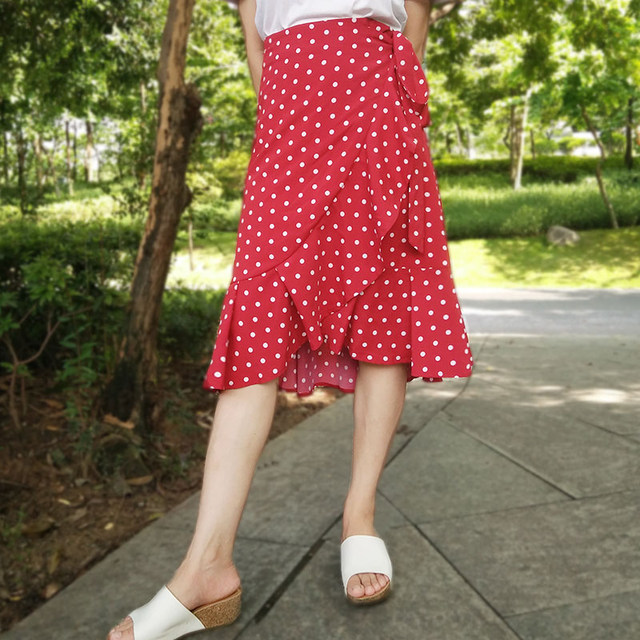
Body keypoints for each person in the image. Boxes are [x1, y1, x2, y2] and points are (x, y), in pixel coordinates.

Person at [107, 1, 473, 638]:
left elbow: (414, 14)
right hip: (289, 107)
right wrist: (285, 104)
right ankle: (207, 565)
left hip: (377, 96)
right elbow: (254, 30)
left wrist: (392, 104)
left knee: (382, 311)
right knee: (257, 318)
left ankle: (359, 516)